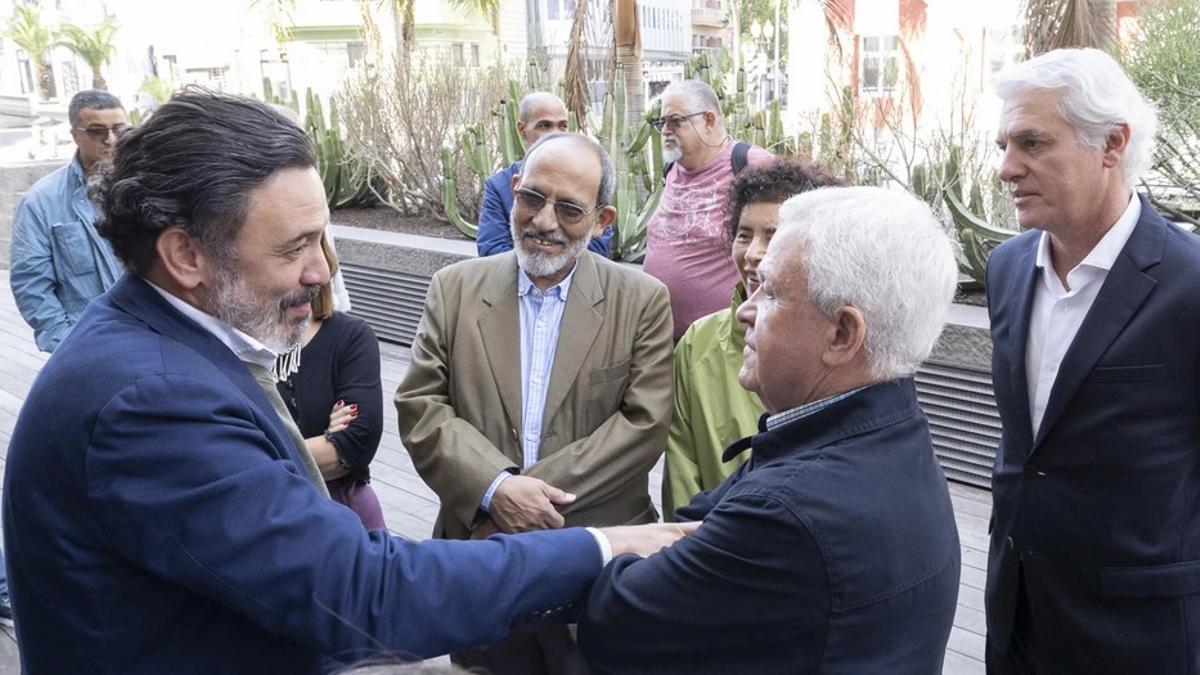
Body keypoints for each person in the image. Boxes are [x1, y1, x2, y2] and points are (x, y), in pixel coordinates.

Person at [2, 89, 691, 674]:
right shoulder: (147, 401)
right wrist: (601, 545)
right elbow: (362, 594)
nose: (324, 270)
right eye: (296, 244)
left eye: (323, 237)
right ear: (185, 253)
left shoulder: (160, 348)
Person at [578, 186, 962, 674]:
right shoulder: (892, 432)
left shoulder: (788, 511)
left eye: (772, 292)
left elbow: (616, 623)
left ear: (842, 334)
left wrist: (629, 554)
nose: (745, 308)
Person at [396, 132, 674, 674]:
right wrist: (495, 490)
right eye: (532, 198)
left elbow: (643, 424)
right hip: (481, 557)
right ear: (515, 190)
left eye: (569, 208)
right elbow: (421, 405)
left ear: (603, 221)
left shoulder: (641, 300)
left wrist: (522, 502)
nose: (544, 222)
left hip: (596, 561)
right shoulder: (453, 289)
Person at [985, 48, 1200, 674]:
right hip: (1011, 618)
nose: (1006, 168)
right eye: (1003, 144)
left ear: (1111, 143)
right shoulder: (1005, 269)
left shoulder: (1190, 286)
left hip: (1138, 636)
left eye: (1031, 143)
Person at [662, 158, 843, 518]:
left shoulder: (834, 344)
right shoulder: (699, 342)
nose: (754, 254)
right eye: (744, 235)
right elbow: (681, 464)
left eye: (773, 236)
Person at [642, 79, 772, 339]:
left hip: (717, 344)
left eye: (675, 121)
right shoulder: (671, 169)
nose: (666, 130)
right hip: (658, 338)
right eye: (662, 123)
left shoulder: (749, 163)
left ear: (709, 120)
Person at [277, 236, 387, 530]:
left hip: (346, 516)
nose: (316, 271)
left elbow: (354, 444)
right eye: (295, 249)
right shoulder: (235, 345)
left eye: (316, 246)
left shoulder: (350, 336)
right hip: (268, 521)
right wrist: (321, 441)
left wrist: (262, 452)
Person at [9, 89, 129, 352]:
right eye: (97, 131)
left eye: (119, 129)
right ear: (76, 135)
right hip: (91, 344)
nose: (111, 139)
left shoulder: (151, 186)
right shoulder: (40, 201)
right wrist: (67, 342)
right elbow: (31, 282)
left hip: (158, 337)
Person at [476, 91, 613, 258]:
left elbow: (598, 248)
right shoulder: (498, 186)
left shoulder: (590, 179)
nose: (556, 134)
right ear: (522, 129)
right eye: (545, 126)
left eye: (562, 126)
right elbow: (491, 250)